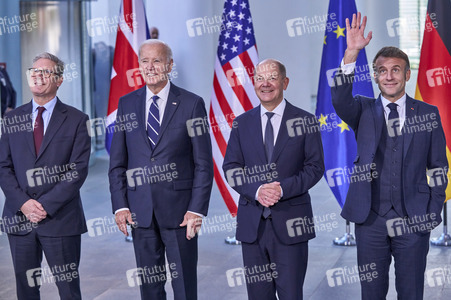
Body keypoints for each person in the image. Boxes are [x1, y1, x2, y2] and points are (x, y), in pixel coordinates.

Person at [331, 12, 448, 300]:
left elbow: (438, 167)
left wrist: (432, 212)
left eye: (396, 70)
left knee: (410, 292)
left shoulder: (428, 114)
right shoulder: (361, 110)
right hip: (370, 220)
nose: (389, 76)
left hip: (414, 218)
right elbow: (339, 99)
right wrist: (351, 53)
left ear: (407, 75)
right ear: (375, 76)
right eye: (382, 70)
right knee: (371, 292)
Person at [108, 39, 213, 300]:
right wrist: (120, 206)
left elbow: (203, 163)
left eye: (157, 60)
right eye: (145, 60)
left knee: (184, 285)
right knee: (150, 287)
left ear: (170, 64)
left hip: (180, 213)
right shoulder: (127, 104)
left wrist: (196, 209)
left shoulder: (191, 104)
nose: (150, 66)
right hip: (140, 212)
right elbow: (118, 163)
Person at [223, 59, 324, 300]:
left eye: (272, 78)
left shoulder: (305, 121)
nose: (265, 84)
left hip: (292, 223)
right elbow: (231, 167)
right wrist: (257, 191)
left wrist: (282, 189)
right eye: (259, 78)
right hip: (252, 226)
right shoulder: (242, 123)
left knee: (291, 294)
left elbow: (315, 167)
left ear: (284, 82)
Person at [0, 52, 91, 299]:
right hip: (20, 219)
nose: (38, 76)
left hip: (60, 219)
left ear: (59, 80)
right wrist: (24, 203)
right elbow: (3, 167)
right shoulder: (11, 119)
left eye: (46, 72)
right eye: (34, 72)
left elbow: (77, 170)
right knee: (26, 290)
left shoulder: (76, 120)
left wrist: (44, 206)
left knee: (68, 289)